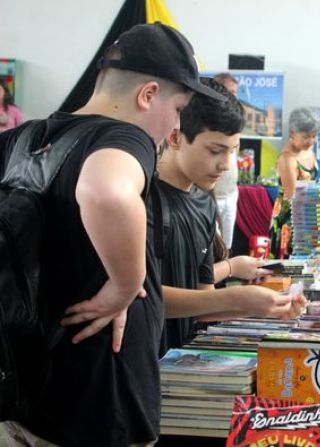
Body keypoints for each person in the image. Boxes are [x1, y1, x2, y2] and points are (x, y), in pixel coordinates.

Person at [0, 23, 227, 446]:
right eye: (177, 110)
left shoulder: (22, 139)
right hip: (99, 405)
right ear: (148, 95)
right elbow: (105, 192)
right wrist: (125, 284)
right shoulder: (123, 137)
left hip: (29, 398)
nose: (174, 127)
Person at [155, 78, 304, 355]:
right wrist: (236, 294)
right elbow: (141, 297)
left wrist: (267, 306)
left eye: (233, 151)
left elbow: (203, 303)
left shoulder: (203, 203)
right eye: (215, 150)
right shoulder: (146, 200)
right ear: (175, 137)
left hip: (181, 364)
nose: (225, 164)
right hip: (146, 360)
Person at [269, 107, 319, 258]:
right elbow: (292, 196)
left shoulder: (308, 149)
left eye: (314, 136)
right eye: (305, 137)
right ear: (292, 133)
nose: (310, 141)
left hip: (308, 213)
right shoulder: (287, 158)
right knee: (289, 268)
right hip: (291, 218)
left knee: (308, 270)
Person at [210, 72, 240, 249]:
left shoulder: (235, 122)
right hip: (210, 195)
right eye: (230, 92)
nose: (234, 97)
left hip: (230, 193)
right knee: (209, 249)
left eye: (236, 92)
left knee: (225, 248)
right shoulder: (207, 121)